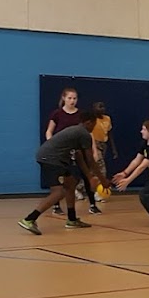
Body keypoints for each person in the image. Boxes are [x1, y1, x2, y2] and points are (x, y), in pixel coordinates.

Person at [18, 112, 104, 234]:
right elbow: (90, 159)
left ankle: (72, 219)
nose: (94, 127)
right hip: (52, 159)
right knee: (59, 192)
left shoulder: (76, 131)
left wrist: (90, 177)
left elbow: (79, 157)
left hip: (53, 158)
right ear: (88, 122)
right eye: (94, 124)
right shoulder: (84, 133)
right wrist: (103, 179)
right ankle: (29, 219)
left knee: (71, 184)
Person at [45, 88, 101, 216]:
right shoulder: (57, 114)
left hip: (78, 150)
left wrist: (94, 150)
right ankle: (56, 205)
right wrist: (52, 144)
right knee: (60, 178)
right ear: (64, 98)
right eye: (69, 98)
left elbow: (89, 133)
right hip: (62, 151)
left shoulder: (81, 115)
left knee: (87, 175)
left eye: (74, 98)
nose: (72, 101)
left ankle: (92, 205)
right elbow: (49, 131)